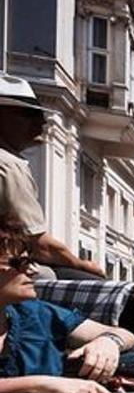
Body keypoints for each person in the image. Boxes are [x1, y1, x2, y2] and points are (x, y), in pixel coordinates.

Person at [0, 222, 134, 393]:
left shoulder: (39, 313)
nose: (33, 271)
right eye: (20, 263)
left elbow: (124, 334)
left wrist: (108, 342)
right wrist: (42, 384)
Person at [0, 76, 104, 280]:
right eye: (29, 114)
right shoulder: (8, 165)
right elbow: (39, 245)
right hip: (7, 268)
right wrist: (82, 264)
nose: (41, 122)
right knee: (67, 280)